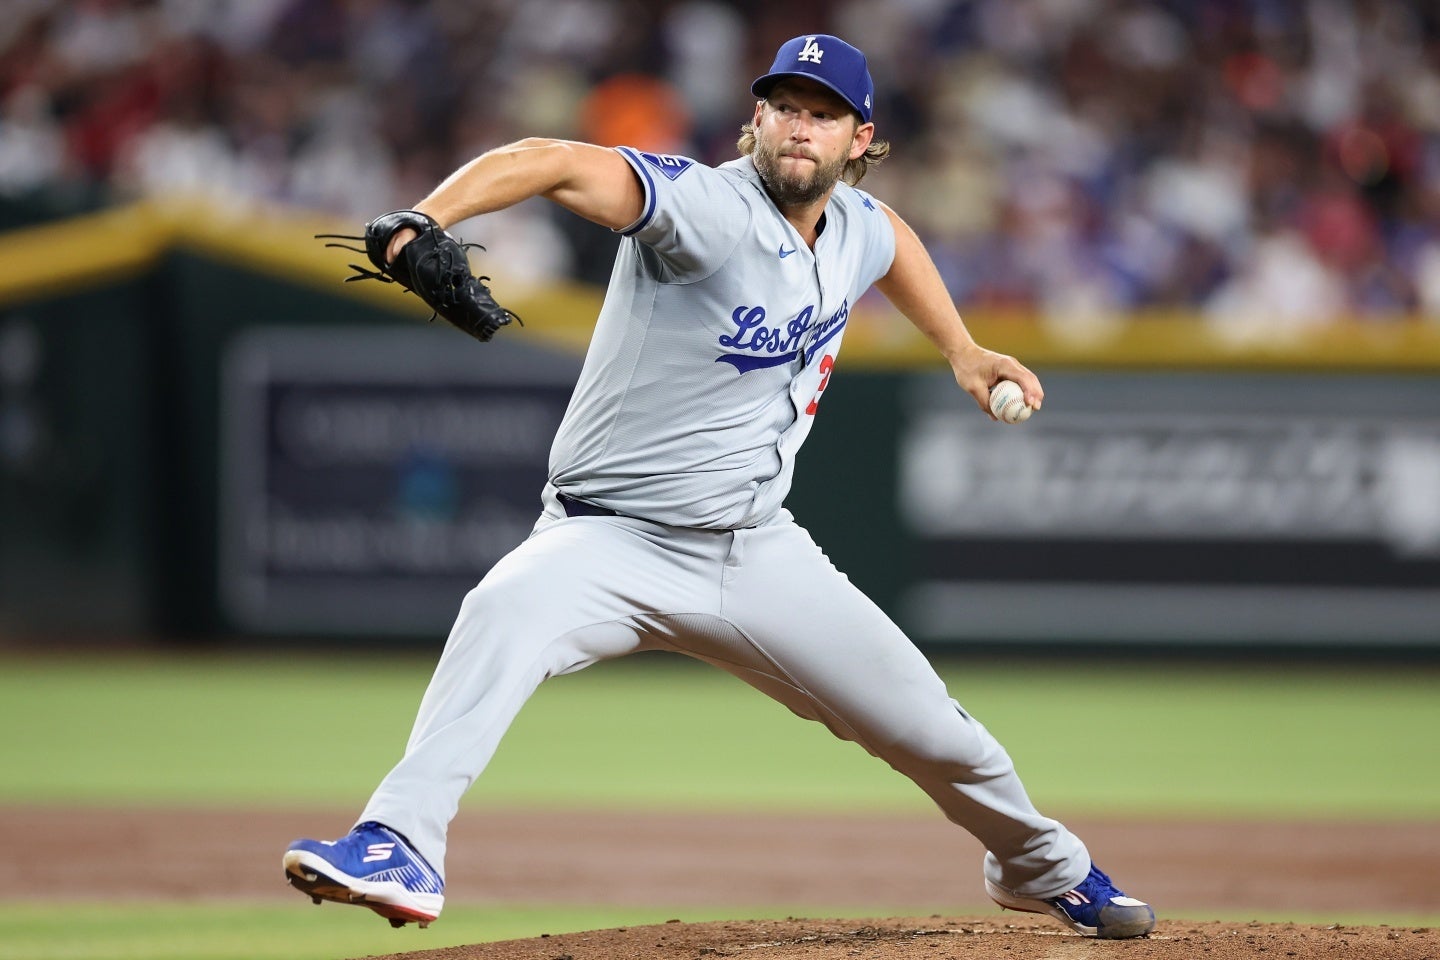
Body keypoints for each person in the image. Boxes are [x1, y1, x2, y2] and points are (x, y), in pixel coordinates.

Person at [283, 34, 1156, 941]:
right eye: (785, 107)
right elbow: (546, 160)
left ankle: (1040, 868)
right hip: (608, 541)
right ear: (756, 119)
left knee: (935, 731)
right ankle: (397, 842)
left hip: (756, 547)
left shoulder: (856, 224)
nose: (799, 128)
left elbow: (890, 242)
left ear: (861, 139)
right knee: (501, 611)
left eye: (822, 114)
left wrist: (964, 350)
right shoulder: (704, 207)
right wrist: (420, 219)